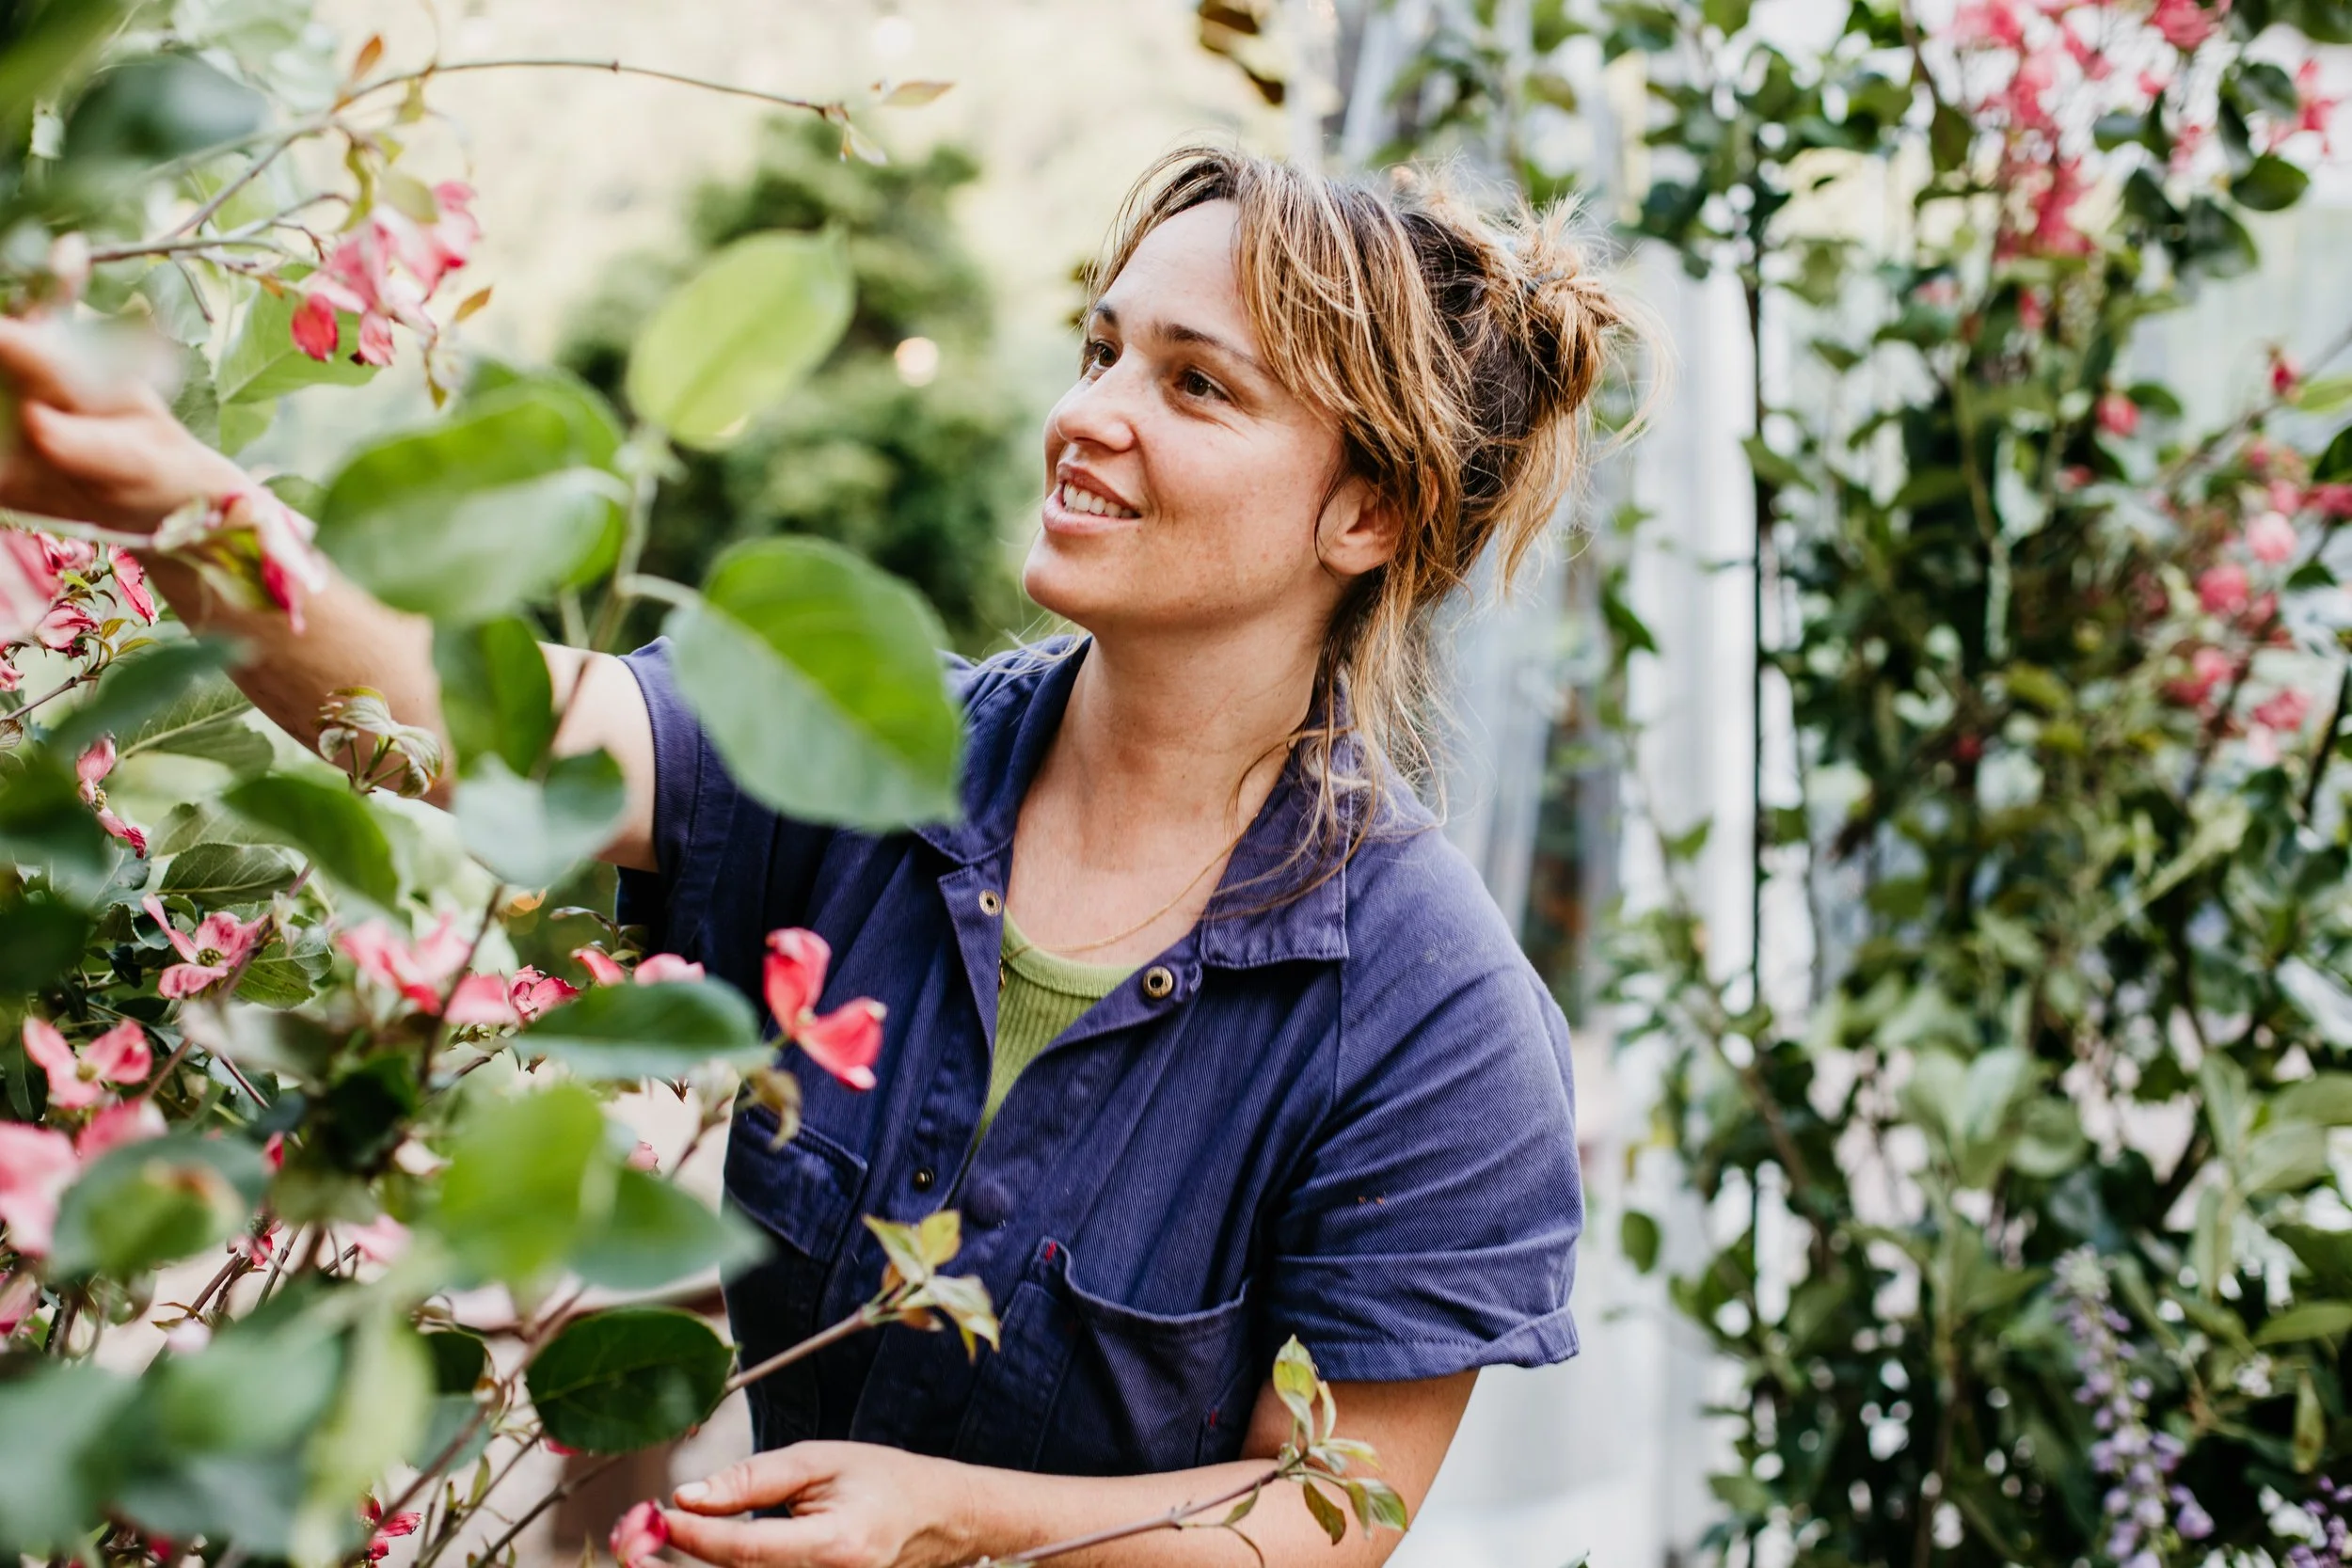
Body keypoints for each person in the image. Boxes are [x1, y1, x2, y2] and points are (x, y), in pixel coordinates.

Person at [0, 146, 1630, 1567]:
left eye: (1194, 384)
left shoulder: (1436, 1024)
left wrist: (960, 1514)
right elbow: (479, 722)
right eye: (1100, 348)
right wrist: (173, 499)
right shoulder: (856, 751)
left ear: (1366, 516)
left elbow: (1323, 1518)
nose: (1085, 415)